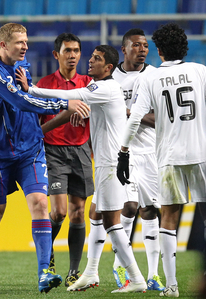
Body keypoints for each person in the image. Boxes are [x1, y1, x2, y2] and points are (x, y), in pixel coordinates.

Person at [20, 45, 147, 293]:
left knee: (111, 222)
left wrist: (30, 89)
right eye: (91, 57)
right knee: (97, 215)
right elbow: (87, 104)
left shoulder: (105, 87)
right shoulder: (102, 89)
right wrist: (83, 113)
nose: (90, 61)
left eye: (96, 59)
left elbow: (73, 95)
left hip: (110, 164)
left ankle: (136, 278)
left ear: (109, 67)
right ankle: (90, 273)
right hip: (104, 163)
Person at [0, 23, 90, 295]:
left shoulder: (23, 64)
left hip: (30, 149)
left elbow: (29, 94)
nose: (25, 47)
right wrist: (63, 103)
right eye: (19, 43)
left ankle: (44, 272)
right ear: (3, 45)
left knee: (41, 203)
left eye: (26, 42)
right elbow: (20, 101)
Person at [117, 22, 206, 297]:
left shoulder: (151, 78)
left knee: (168, 217)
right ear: (186, 47)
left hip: (168, 157)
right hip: (201, 154)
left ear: (158, 50)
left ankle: (171, 285)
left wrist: (123, 151)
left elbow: (133, 118)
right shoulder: (200, 71)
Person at [35, 33, 93, 287]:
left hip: (81, 150)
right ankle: (46, 261)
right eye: (67, 50)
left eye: (77, 50)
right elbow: (36, 123)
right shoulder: (44, 84)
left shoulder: (89, 84)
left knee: (78, 213)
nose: (72, 55)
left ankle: (73, 271)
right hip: (54, 152)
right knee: (59, 212)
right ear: (56, 54)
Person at [111, 28, 165, 291]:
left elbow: (162, 119)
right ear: (124, 49)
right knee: (129, 207)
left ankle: (153, 274)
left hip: (150, 152)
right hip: (121, 152)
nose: (142, 49)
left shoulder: (155, 76)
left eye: (145, 45)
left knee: (150, 210)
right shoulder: (111, 77)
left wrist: (134, 114)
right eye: (136, 45)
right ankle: (120, 265)